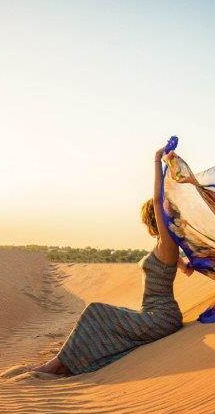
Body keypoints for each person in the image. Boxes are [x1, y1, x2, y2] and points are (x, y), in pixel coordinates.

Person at [32, 145, 192, 377]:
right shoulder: (168, 247)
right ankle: (66, 363)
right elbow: (184, 269)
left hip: (161, 318)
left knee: (96, 311)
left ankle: (57, 365)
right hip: (152, 315)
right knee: (102, 322)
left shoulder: (167, 243)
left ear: (152, 220)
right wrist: (191, 265)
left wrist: (157, 160)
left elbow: (157, 201)